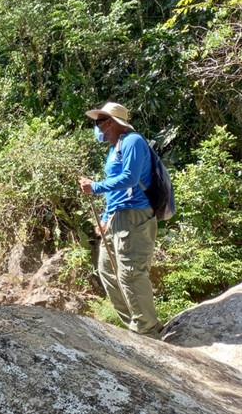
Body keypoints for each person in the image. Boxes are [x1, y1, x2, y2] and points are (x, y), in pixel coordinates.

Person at [78, 102, 163, 338]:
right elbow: (116, 190)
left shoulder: (133, 141)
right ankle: (136, 325)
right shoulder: (114, 148)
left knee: (131, 273)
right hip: (116, 216)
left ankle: (147, 329)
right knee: (107, 270)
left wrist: (94, 187)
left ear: (112, 122)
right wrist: (105, 217)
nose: (97, 128)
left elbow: (130, 178)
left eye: (100, 122)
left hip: (134, 216)